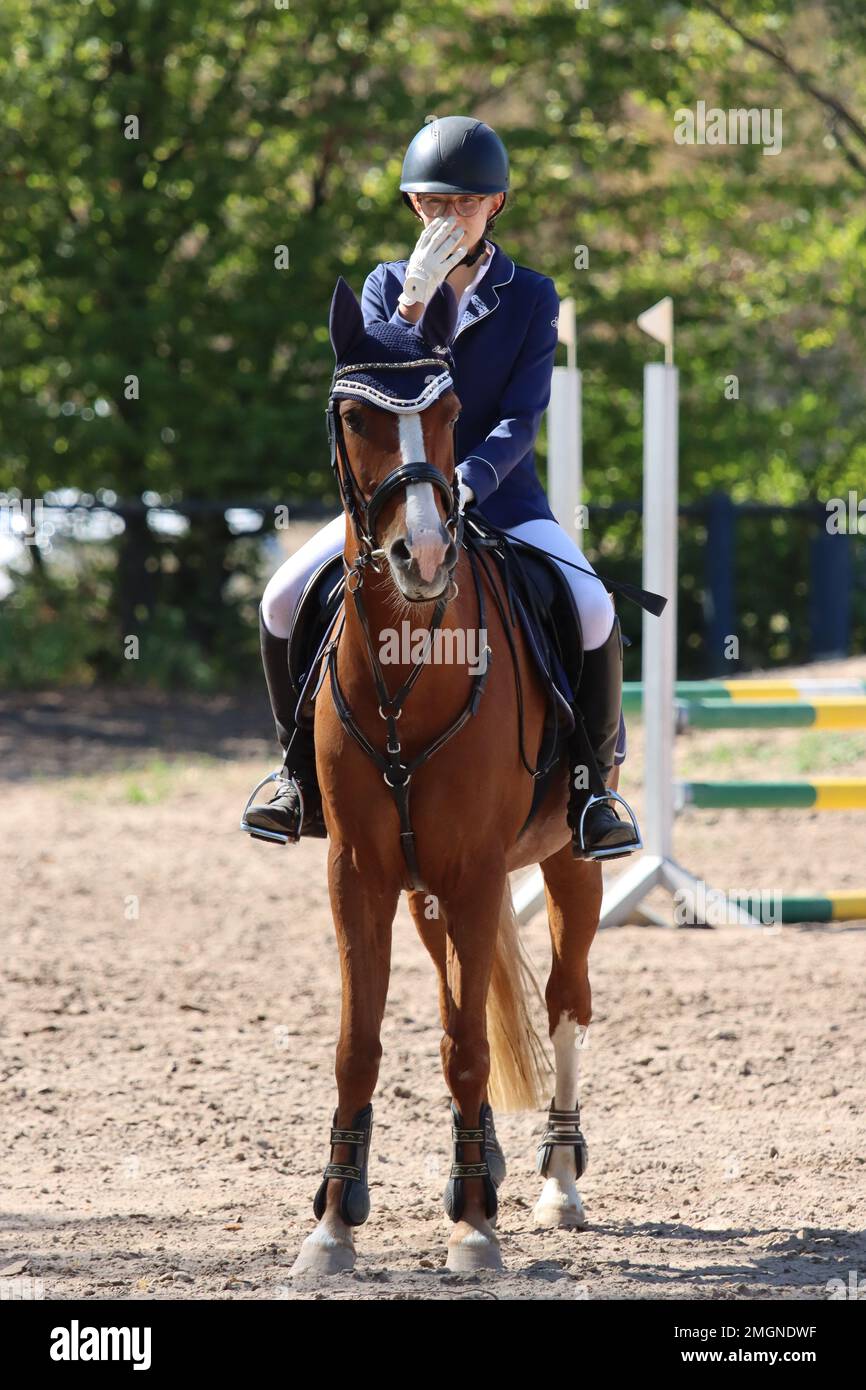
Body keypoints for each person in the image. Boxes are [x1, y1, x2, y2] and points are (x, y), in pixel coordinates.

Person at [243, 115, 639, 858]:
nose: (447, 217)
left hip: (499, 496)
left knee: (592, 606)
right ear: (413, 207)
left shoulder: (530, 294)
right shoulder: (386, 285)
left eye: (465, 204)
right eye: (432, 203)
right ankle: (295, 774)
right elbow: (375, 387)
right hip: (394, 504)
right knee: (280, 599)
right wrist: (412, 306)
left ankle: (592, 789)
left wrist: (464, 480)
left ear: (496, 206)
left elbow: (523, 416)